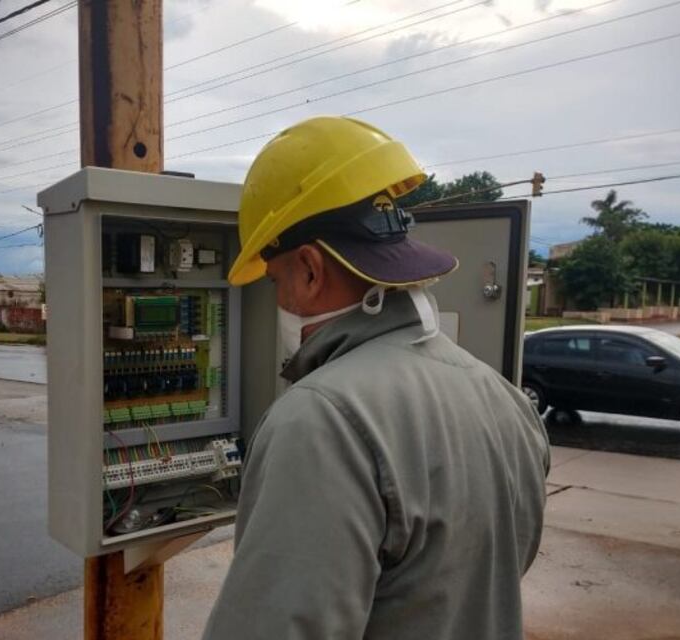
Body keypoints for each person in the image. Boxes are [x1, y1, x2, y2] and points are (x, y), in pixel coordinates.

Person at [202, 116, 550, 640]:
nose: (278, 299)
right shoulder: (503, 397)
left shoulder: (320, 419)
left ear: (310, 269)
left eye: (275, 280)